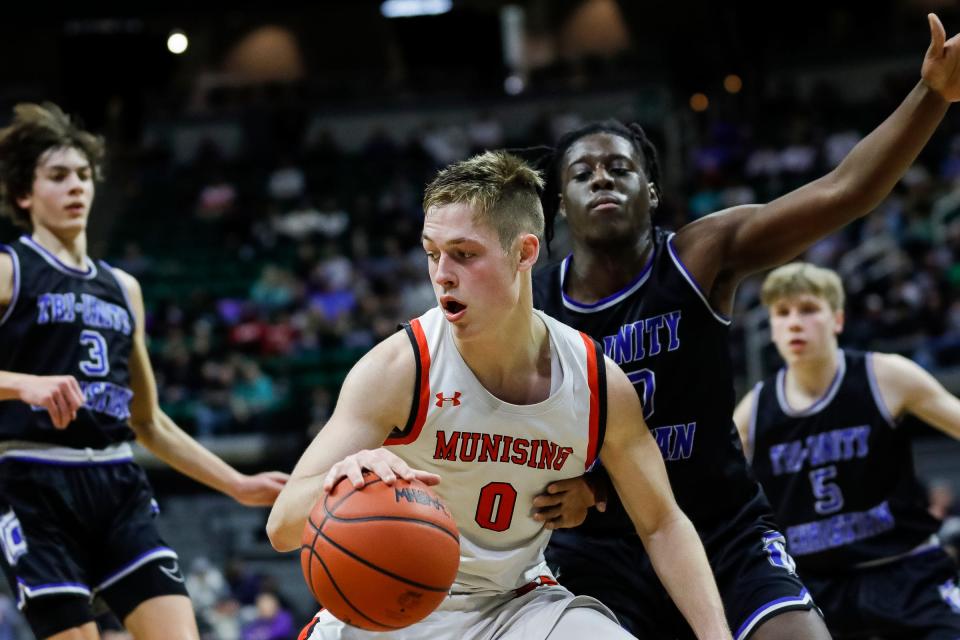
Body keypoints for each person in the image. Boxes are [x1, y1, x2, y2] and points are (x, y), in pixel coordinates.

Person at [528, 13, 960, 640]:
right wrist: (577, 486)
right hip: (601, 546)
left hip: (721, 527)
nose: (601, 177)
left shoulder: (701, 256)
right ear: (560, 205)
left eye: (619, 168)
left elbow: (844, 191)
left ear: (650, 192)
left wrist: (932, 96)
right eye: (582, 172)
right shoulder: (533, 302)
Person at [266, 151, 732, 640]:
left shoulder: (596, 382)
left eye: (464, 254)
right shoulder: (400, 370)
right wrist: (338, 483)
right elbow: (282, 528)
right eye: (432, 252)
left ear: (525, 253)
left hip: (515, 606)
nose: (442, 274)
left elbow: (662, 523)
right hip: (386, 610)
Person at [0, 102, 289, 640]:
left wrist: (238, 483)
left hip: (115, 483)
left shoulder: (123, 289)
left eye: (83, 176)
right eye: (58, 176)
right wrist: (22, 384)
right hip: (34, 482)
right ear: (24, 194)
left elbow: (150, 422)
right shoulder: (10, 269)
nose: (76, 187)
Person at [733, 262, 960, 638]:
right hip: (814, 587)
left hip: (902, 570)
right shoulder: (754, 411)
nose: (794, 323)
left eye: (808, 310)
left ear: (837, 320)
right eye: (782, 313)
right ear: (771, 328)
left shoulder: (885, 376)